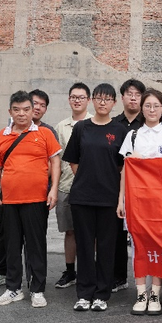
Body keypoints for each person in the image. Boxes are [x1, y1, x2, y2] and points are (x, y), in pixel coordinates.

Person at [0, 91, 61, 308]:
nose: (22, 114)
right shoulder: (2, 135)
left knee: (36, 246)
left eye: (26, 109)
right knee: (11, 246)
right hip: (9, 201)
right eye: (17, 109)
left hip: (36, 200)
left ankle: (37, 290)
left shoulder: (44, 133)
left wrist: (53, 189)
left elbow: (55, 162)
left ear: (33, 110)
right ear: (10, 111)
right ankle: (13, 288)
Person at [63, 83, 128, 312]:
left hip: (109, 198)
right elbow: (73, 160)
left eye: (107, 99)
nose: (102, 102)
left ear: (114, 103)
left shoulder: (120, 130)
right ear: (92, 100)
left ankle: (102, 294)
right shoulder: (82, 127)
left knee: (106, 247)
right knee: (84, 246)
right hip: (82, 197)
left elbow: (123, 166)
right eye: (99, 98)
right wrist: (87, 178)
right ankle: (84, 294)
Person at [117, 88, 162, 316]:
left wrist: (142, 160)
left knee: (159, 246)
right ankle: (141, 293)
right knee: (138, 247)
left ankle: (155, 293)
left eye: (156, 106)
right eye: (148, 106)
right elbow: (126, 170)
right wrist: (121, 200)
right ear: (142, 109)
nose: (152, 110)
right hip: (136, 200)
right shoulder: (133, 135)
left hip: (160, 200)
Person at [54, 82, 94, 289]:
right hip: (66, 186)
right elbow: (56, 160)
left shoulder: (96, 123)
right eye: (73, 97)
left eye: (81, 97)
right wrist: (53, 188)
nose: (77, 100)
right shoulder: (61, 127)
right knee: (70, 231)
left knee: (91, 233)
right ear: (69, 99)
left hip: (90, 188)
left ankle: (90, 270)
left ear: (89, 100)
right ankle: (70, 271)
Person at [112, 78, 146, 293]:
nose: (133, 98)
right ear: (122, 97)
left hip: (143, 187)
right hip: (118, 184)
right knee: (117, 233)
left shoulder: (148, 123)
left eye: (137, 95)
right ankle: (118, 277)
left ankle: (148, 281)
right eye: (129, 94)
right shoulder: (114, 123)